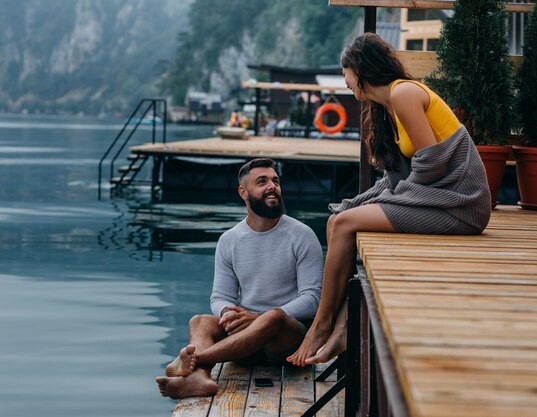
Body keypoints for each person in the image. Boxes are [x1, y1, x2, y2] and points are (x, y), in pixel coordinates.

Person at [287, 33, 491, 367]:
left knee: (346, 223)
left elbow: (432, 163)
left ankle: (321, 326)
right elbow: (395, 179)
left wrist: (383, 204)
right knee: (339, 217)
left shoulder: (404, 93)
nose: (346, 82)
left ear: (360, 69)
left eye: (346, 75)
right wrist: (358, 202)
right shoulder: (387, 107)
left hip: (460, 204)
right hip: (438, 198)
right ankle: (340, 327)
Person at [156, 158, 323, 398]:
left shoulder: (302, 235)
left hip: (287, 344)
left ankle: (194, 360)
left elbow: (312, 299)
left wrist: (259, 317)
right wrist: (228, 313)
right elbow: (220, 296)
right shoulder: (229, 240)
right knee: (200, 321)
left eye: (275, 181)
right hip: (243, 343)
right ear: (243, 192)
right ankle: (198, 378)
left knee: (273, 317)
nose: (272, 186)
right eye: (262, 181)